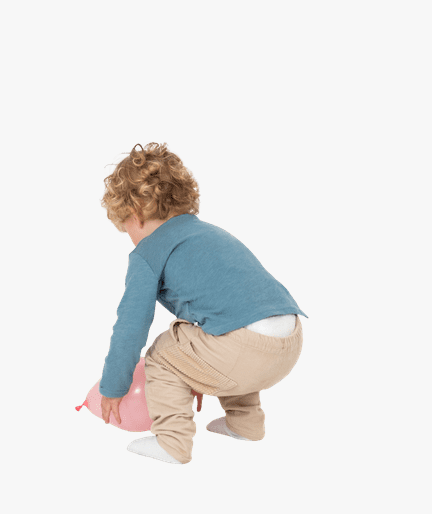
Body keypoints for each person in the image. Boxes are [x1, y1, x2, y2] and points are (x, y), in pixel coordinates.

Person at [98, 143, 305, 464]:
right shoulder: (210, 233)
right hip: (289, 343)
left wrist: (112, 386)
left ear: (134, 215)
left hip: (243, 349)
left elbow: (131, 324)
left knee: (165, 352)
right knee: (216, 326)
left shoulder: (147, 252)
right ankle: (245, 423)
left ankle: (173, 441)